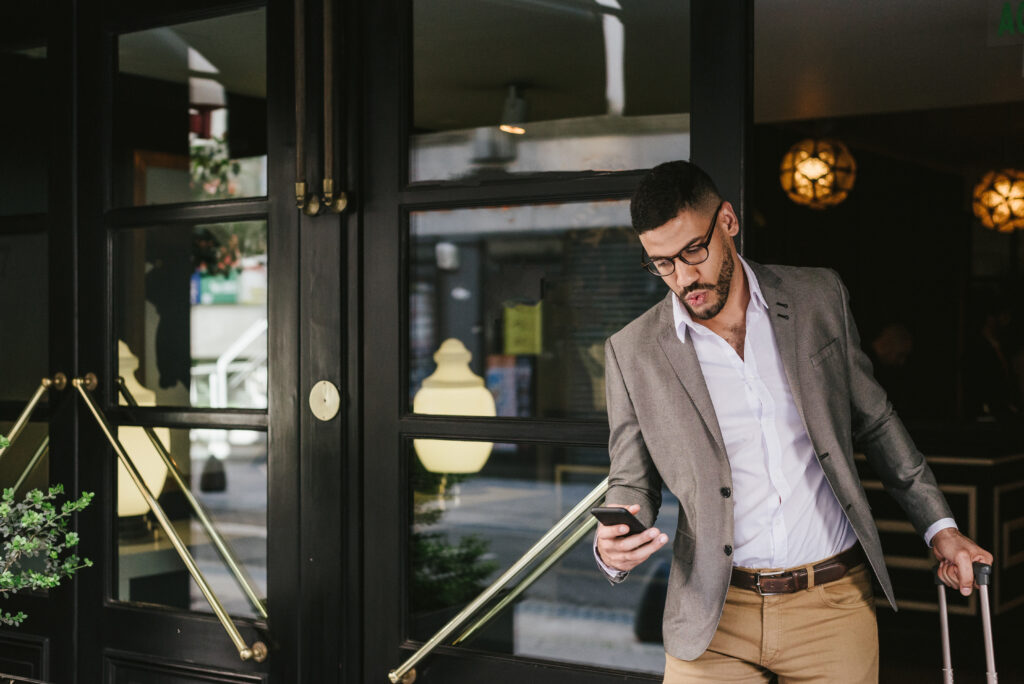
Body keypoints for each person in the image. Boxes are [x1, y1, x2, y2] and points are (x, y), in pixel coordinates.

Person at [594, 161, 991, 683]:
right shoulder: (632, 352)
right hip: (713, 616)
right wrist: (616, 541)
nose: (684, 277)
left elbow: (875, 420)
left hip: (831, 606)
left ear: (728, 221)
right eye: (662, 264)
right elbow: (631, 478)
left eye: (694, 250)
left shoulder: (818, 298)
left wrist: (940, 528)